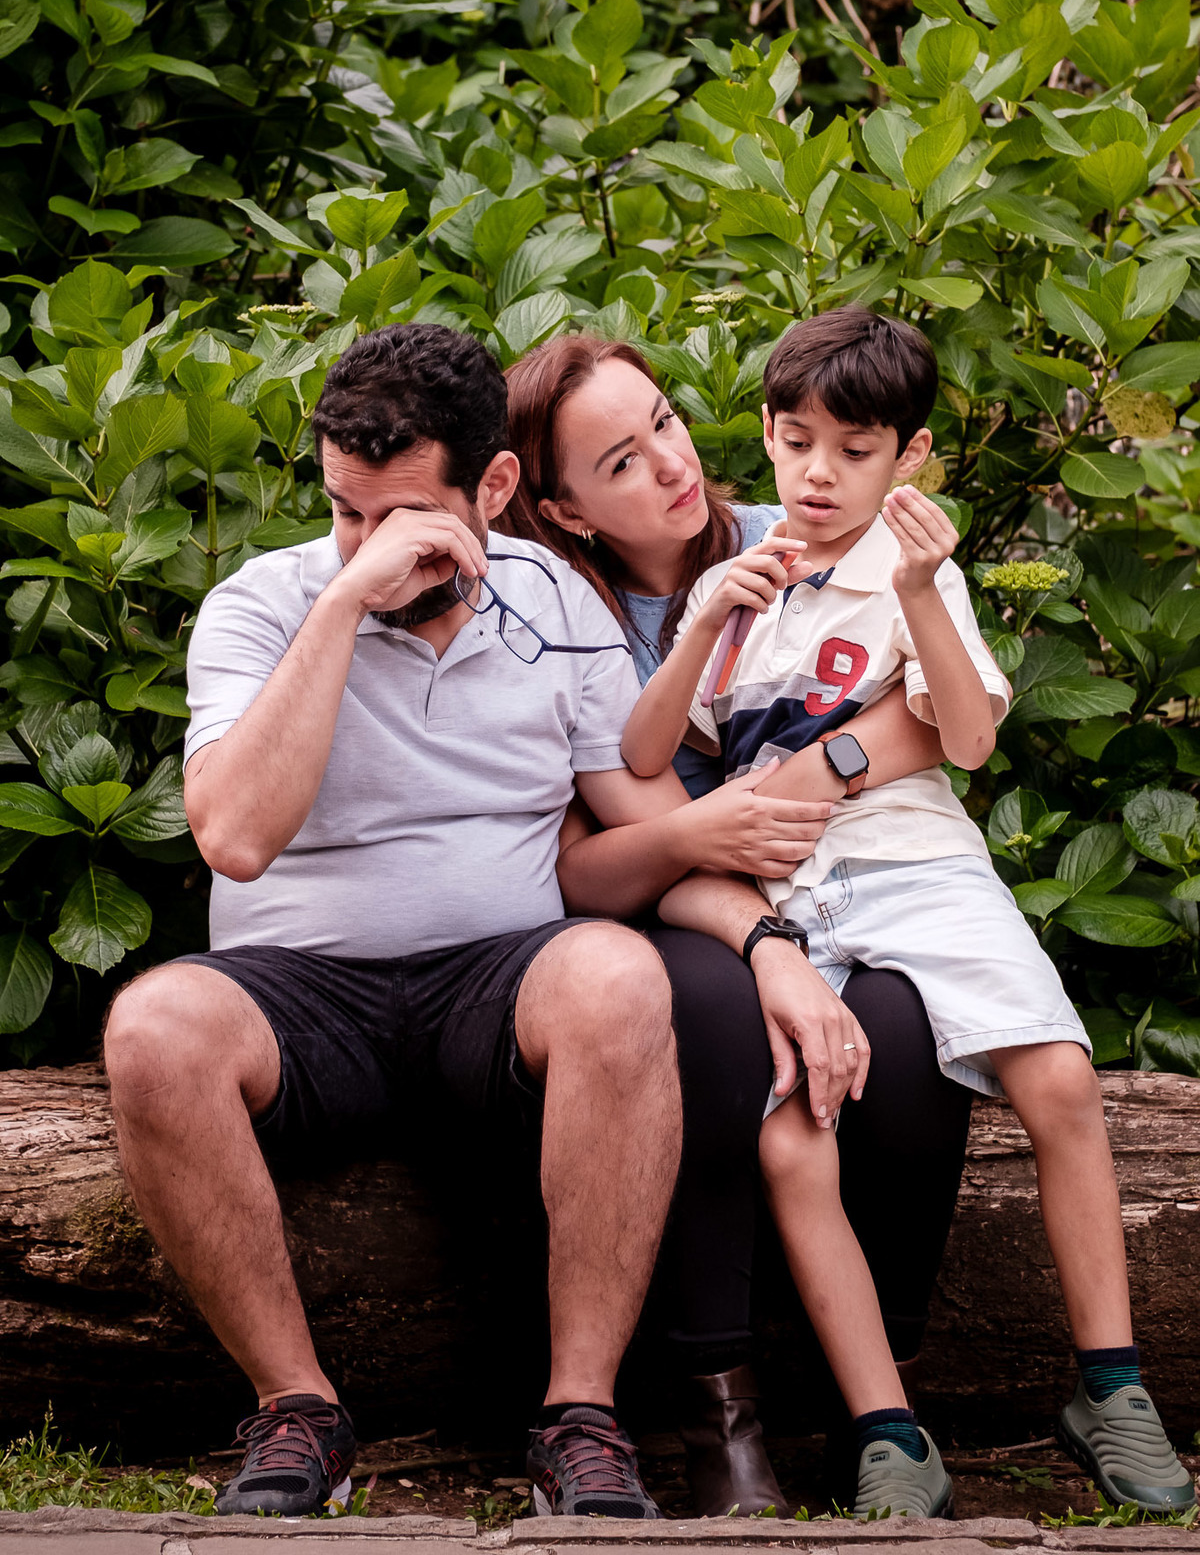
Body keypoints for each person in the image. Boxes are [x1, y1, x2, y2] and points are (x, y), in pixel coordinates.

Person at [102, 323, 831, 1521]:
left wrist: (765, 943)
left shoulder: (554, 602)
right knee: (153, 1026)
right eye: (344, 511)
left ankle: (580, 1418)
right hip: (303, 994)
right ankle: (300, 1412)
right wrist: (342, 606)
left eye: (398, 520)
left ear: (492, 490)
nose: (365, 544)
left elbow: (646, 826)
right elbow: (233, 836)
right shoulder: (260, 607)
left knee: (615, 974)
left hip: (495, 984)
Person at [619, 304, 1196, 1519]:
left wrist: (928, 586)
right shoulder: (746, 591)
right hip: (784, 893)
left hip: (913, 861)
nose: (819, 473)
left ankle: (1112, 1383)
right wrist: (705, 621)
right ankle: (890, 1431)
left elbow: (972, 739)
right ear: (766, 438)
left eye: (854, 448)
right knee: (790, 1141)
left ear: (909, 455)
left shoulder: (907, 569)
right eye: (794, 441)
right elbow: (649, 748)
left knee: (1061, 1081)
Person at [503, 334, 976, 1510]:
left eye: (664, 421)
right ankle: (724, 1405)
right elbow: (588, 868)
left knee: (907, 1031)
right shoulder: (566, 623)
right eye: (620, 460)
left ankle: (876, 1399)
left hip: (838, 880)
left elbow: (929, 716)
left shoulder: (797, 526)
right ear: (562, 510)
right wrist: (753, 932)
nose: (671, 464)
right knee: (712, 1023)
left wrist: (811, 776)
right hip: (684, 919)